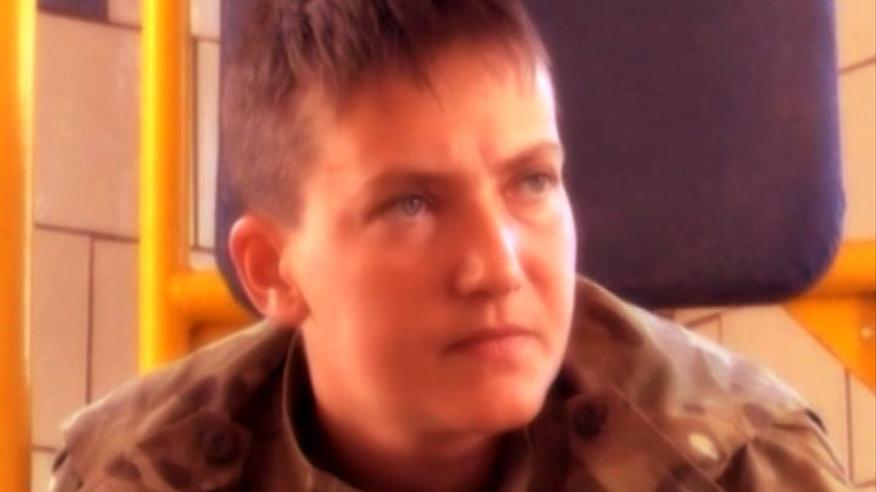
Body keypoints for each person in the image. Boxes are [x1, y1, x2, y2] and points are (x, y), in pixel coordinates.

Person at [50, 0, 851, 490]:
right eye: (410, 205)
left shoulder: (737, 466)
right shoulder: (139, 473)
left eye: (532, 181)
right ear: (273, 270)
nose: (497, 267)